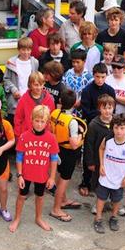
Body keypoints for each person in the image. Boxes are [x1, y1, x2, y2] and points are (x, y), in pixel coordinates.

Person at [10, 105, 59, 233]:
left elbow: (54, 159)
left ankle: (38, 218)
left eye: (42, 121)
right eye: (37, 121)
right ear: (31, 120)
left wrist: (52, 177)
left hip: (42, 175)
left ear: (47, 122)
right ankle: (17, 218)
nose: (39, 124)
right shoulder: (24, 136)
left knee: (40, 196)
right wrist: (19, 175)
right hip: (25, 174)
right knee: (21, 196)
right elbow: (19, 157)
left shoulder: (51, 138)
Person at [94, 114, 125, 233]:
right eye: (116, 128)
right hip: (105, 176)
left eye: (122, 128)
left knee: (116, 199)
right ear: (112, 128)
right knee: (101, 198)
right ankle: (98, 218)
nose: (118, 131)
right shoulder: (107, 139)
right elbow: (101, 149)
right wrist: (101, 164)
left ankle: (113, 217)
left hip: (119, 179)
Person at [49, 90, 86, 221]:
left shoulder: (53, 113)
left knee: (59, 176)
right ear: (75, 103)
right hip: (68, 153)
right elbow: (75, 144)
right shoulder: (73, 121)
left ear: (60, 101)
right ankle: (56, 209)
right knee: (63, 182)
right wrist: (82, 134)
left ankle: (63, 200)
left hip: (56, 149)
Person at [82, 95, 115, 198]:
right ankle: (98, 202)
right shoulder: (93, 125)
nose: (107, 111)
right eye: (104, 108)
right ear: (99, 108)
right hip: (98, 159)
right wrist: (90, 162)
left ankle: (111, 200)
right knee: (98, 181)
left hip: (112, 159)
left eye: (109, 108)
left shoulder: (116, 123)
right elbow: (89, 145)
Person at [4, 37, 40, 122]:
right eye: (23, 50)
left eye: (28, 50)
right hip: (16, 99)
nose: (26, 52)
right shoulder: (11, 62)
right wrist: (14, 90)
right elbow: (6, 79)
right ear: (18, 50)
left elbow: (36, 78)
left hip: (30, 98)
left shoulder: (34, 62)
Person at [14, 71, 57, 137]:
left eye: (41, 85)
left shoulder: (49, 99)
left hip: (44, 135)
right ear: (30, 85)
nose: (39, 88)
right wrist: (18, 135)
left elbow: (51, 118)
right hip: (27, 134)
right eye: (36, 85)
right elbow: (18, 118)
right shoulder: (23, 99)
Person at [106, 55, 125, 120]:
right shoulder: (107, 79)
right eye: (114, 66)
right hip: (109, 116)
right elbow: (104, 98)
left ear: (124, 68)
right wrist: (123, 99)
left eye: (119, 67)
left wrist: (113, 96)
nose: (116, 69)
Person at [63, 48, 93, 114]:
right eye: (73, 62)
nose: (75, 64)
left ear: (84, 61)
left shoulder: (89, 77)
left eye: (77, 62)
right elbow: (62, 89)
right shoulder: (67, 74)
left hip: (82, 110)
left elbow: (90, 94)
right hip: (67, 108)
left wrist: (80, 101)